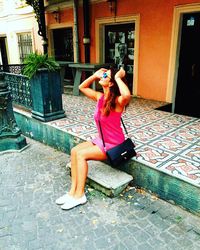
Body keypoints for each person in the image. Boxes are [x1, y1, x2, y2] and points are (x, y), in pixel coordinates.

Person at [56, 67, 131, 210]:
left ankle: (80, 195)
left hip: (113, 144)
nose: (102, 75)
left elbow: (127, 95)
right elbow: (81, 87)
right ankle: (72, 192)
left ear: (111, 83)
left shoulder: (118, 101)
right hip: (101, 140)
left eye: (105, 75)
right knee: (74, 151)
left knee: (82, 155)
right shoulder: (99, 97)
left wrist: (118, 77)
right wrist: (94, 76)